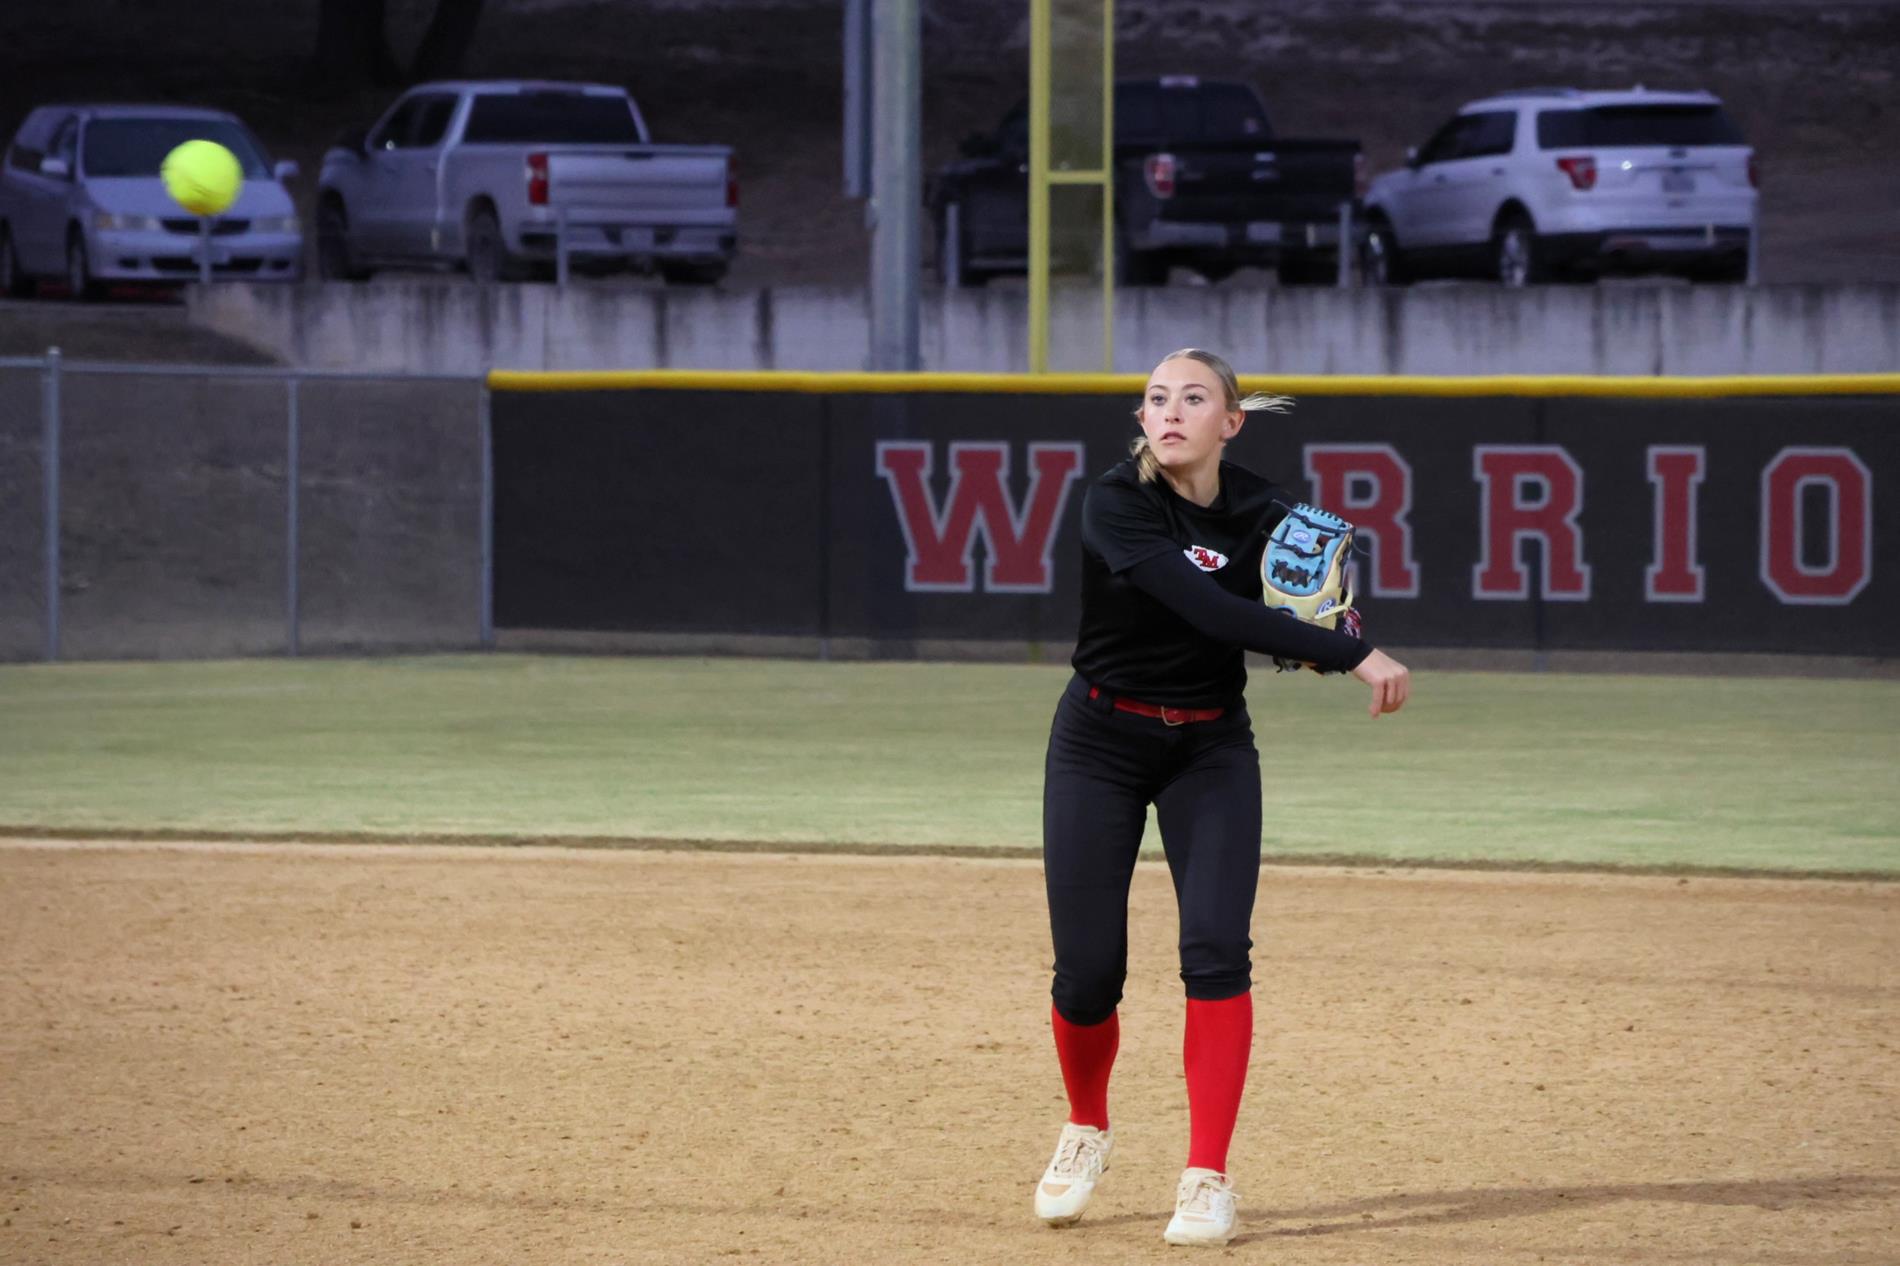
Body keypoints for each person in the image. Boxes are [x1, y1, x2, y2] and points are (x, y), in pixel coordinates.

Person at [1033, 348, 1410, 1247]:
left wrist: (1336, 623)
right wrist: (1351, 653)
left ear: (1229, 422)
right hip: (1099, 742)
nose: (1168, 413)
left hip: (1209, 748)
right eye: (1156, 399)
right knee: (1088, 974)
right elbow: (1205, 607)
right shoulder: (1115, 502)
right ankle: (1086, 1127)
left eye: (1192, 399)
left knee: (1215, 953)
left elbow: (1309, 609)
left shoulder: (1270, 511)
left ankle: (1207, 1175)